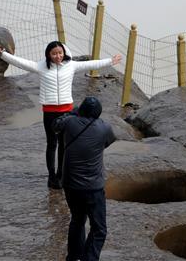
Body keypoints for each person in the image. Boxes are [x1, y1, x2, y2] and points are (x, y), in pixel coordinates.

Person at [0, 42, 121, 189]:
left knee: (64, 144)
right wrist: (3, 54)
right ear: (48, 55)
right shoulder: (41, 67)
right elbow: (20, 62)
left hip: (67, 112)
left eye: (60, 53)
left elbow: (91, 64)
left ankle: (61, 174)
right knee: (52, 144)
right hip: (49, 111)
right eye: (54, 54)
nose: (57, 56)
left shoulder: (71, 65)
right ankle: (51, 176)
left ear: (64, 52)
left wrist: (110, 61)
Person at [53, 96, 116, 261]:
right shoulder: (104, 128)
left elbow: (55, 125)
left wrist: (72, 113)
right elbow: (108, 142)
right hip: (93, 187)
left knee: (77, 220)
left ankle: (73, 257)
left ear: (80, 110)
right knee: (99, 229)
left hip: (71, 185)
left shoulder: (69, 123)